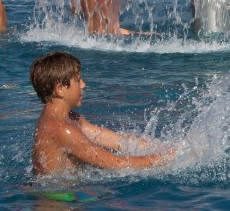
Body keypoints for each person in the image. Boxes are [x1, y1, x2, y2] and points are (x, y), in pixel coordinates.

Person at [30, 51, 173, 175]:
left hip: (68, 192)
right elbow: (115, 164)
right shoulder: (62, 129)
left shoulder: (71, 118)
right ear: (60, 89)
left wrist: (162, 147)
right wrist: (164, 158)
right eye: (78, 80)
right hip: (56, 200)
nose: (84, 85)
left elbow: (116, 140)